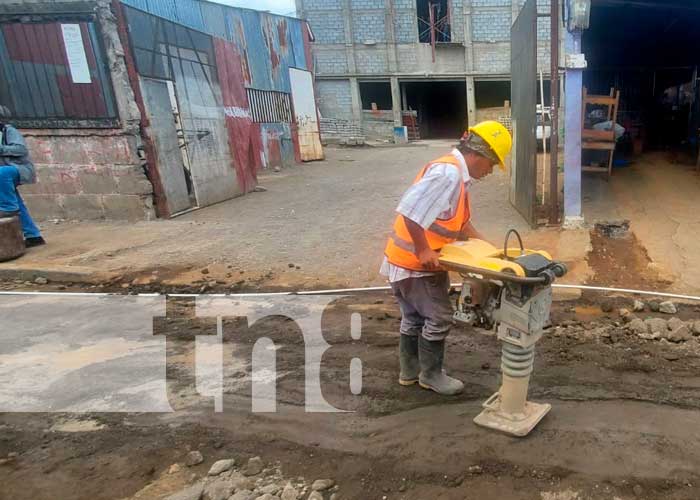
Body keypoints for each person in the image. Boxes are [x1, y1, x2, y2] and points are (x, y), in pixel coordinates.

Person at [381, 121, 512, 395]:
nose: (490, 171)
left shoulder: (456, 177)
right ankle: (431, 375)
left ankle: (410, 373)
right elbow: (410, 210)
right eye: (492, 164)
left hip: (400, 263)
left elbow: (462, 226)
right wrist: (423, 249)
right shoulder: (448, 174)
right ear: (479, 155)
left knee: (414, 317)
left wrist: (491, 250)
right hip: (418, 266)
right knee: (439, 316)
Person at [0, 105, 45, 247]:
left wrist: (1, 149)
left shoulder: (9, 131)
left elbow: (20, 149)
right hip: (4, 177)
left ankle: (8, 208)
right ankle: (34, 236)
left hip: (18, 169)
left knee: (2, 175)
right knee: (18, 204)